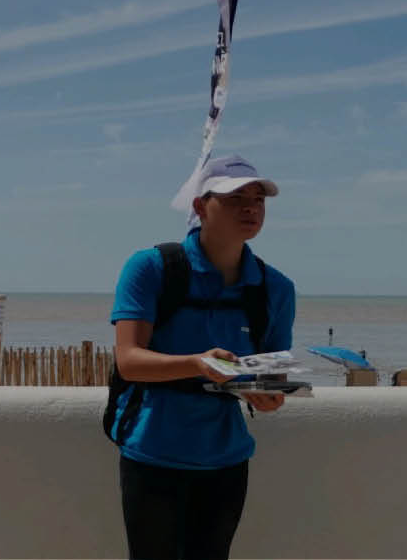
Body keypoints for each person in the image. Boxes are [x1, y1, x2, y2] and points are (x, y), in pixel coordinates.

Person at [107, 155, 296, 560]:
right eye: (234, 198)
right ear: (199, 206)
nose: (250, 207)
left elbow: (273, 380)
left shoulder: (275, 288)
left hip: (227, 460)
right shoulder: (151, 268)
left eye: (259, 198)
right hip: (153, 453)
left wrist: (269, 396)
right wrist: (197, 363)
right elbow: (129, 360)